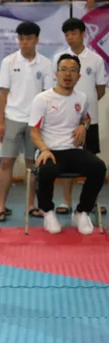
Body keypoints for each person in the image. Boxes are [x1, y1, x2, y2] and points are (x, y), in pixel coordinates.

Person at [29, 54, 106, 234]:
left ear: (79, 77)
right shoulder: (42, 99)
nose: (67, 74)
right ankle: (48, 211)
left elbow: (86, 118)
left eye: (72, 71)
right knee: (46, 170)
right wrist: (44, 149)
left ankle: (81, 212)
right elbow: (34, 132)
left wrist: (83, 126)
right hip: (50, 150)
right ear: (56, 73)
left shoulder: (82, 98)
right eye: (63, 69)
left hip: (74, 150)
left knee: (99, 167)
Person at [0, 21, 53, 222]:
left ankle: (30, 206)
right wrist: (0, 122)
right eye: (21, 39)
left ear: (36, 39)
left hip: (35, 122)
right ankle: (1, 206)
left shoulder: (45, 64)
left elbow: (48, 96)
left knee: (31, 165)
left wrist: (46, 123)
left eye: (28, 38)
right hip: (12, 117)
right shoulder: (8, 62)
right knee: (5, 162)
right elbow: (3, 94)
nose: (24, 42)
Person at [54, 18, 107, 216]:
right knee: (67, 159)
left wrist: (85, 107)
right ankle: (66, 200)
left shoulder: (95, 59)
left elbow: (100, 90)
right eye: (67, 34)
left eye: (73, 33)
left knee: (92, 162)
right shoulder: (59, 57)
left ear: (83, 34)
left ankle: (90, 202)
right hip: (66, 121)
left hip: (89, 120)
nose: (70, 38)